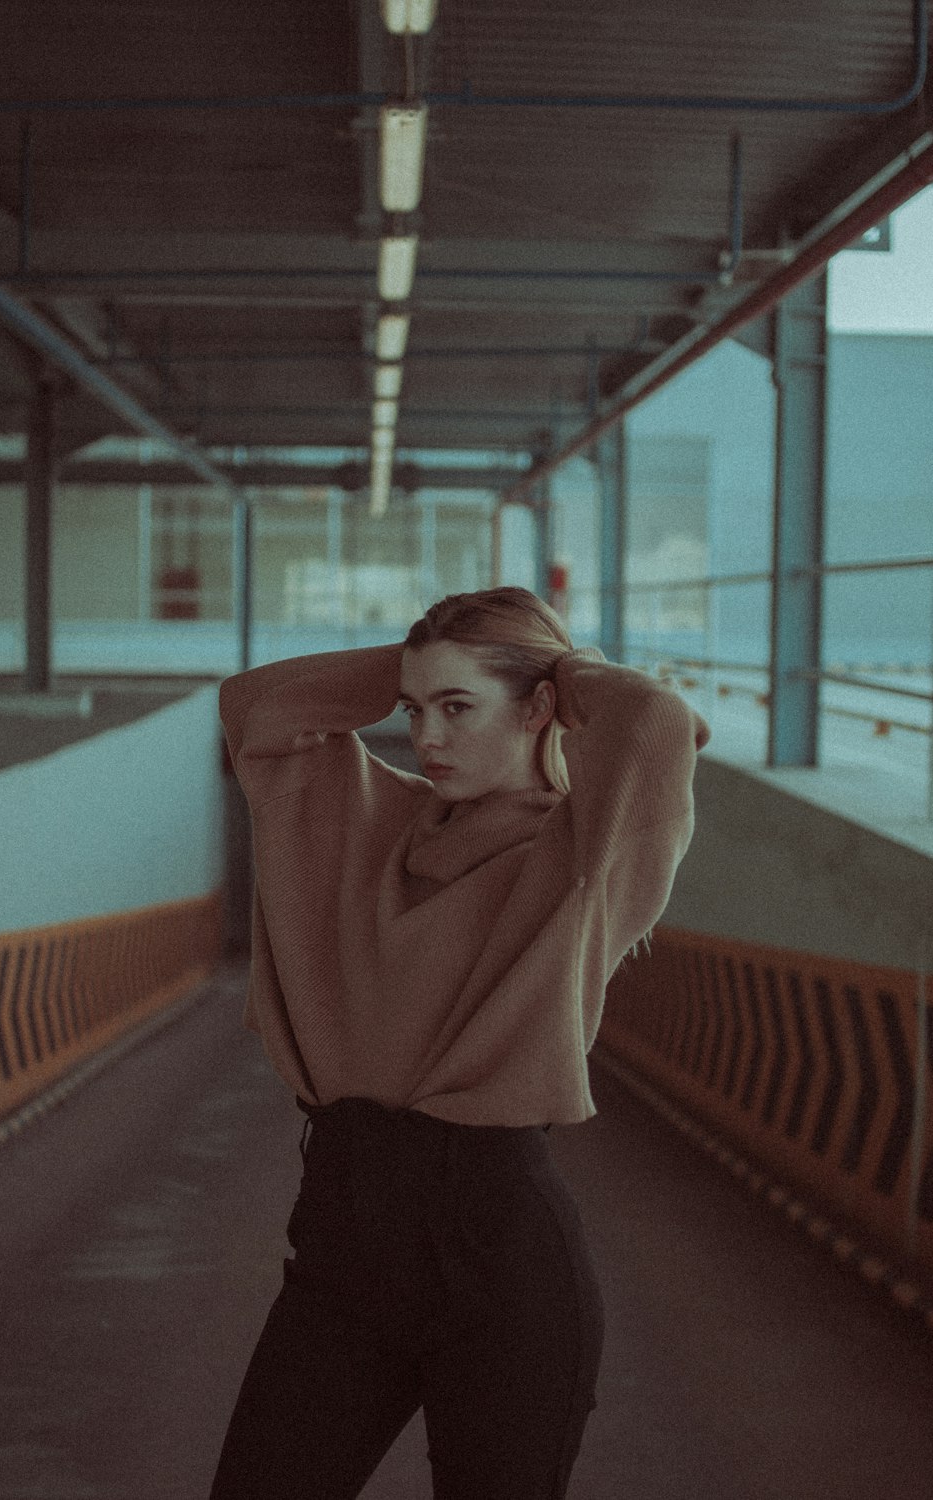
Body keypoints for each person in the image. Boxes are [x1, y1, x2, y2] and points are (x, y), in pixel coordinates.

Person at [209, 585, 711, 1500]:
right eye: (413, 711)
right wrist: (420, 663)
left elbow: (653, 725)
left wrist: (556, 665)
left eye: (456, 709)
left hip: (504, 1269)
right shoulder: (364, 822)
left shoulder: (581, 860)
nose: (427, 738)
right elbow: (258, 709)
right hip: (342, 1255)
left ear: (541, 709)